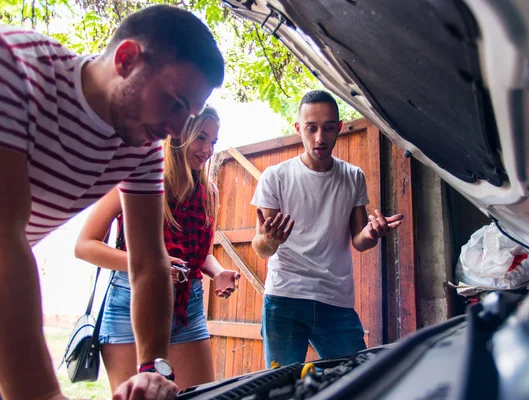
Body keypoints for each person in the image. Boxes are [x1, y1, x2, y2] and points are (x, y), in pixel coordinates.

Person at [0, 4, 224, 400]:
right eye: (175, 103)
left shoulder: (142, 145)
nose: (176, 129)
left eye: (187, 115)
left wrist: (151, 368)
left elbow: (148, 262)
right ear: (126, 59)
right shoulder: (16, 69)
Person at [75, 106, 240, 391]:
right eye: (201, 138)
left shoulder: (208, 191)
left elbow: (198, 254)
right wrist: (152, 265)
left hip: (188, 309)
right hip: (130, 302)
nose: (208, 149)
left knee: (198, 396)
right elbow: (85, 245)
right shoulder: (135, 178)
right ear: (178, 136)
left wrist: (218, 271)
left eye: (213, 141)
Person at [250, 90, 403, 367]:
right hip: (285, 298)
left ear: (339, 128)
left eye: (328, 128)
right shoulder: (275, 177)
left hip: (336, 298)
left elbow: (359, 239)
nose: (320, 137)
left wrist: (372, 233)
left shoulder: (353, 176)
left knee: (355, 379)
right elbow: (260, 248)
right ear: (298, 129)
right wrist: (271, 240)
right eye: (311, 128)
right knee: (282, 387)